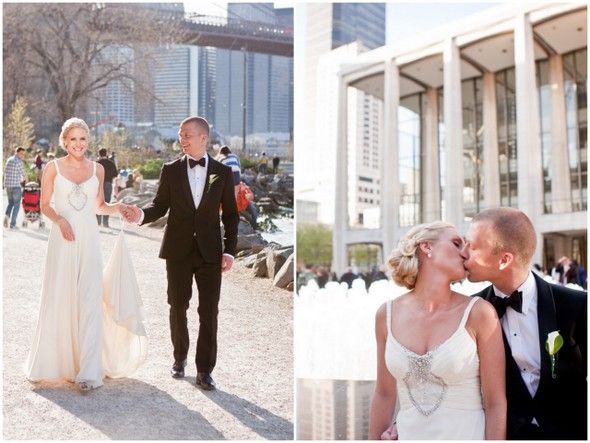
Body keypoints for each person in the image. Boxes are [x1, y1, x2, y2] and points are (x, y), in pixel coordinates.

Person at [24, 117, 141, 392]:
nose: (78, 144)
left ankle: (88, 372)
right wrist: (61, 221)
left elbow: (99, 206)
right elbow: (44, 205)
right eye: (73, 139)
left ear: (88, 142)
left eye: (83, 139)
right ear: (64, 141)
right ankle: (59, 364)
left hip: (89, 240)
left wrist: (119, 208)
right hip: (62, 240)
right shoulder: (52, 168)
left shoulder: (98, 170)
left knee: (90, 299)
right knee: (60, 297)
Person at [125, 116, 239, 391]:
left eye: (187, 134)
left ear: (203, 138)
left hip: (211, 253)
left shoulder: (222, 174)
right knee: (177, 307)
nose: (182, 139)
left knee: (209, 312)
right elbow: (159, 206)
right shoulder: (170, 170)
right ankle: (179, 358)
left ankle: (204, 370)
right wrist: (140, 214)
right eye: (180, 135)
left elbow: (232, 217)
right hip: (177, 251)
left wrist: (230, 252)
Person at [369, 221, 506, 440]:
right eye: (456, 243)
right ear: (427, 247)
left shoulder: (479, 313)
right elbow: (384, 394)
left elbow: (496, 403)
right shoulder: (386, 315)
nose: (465, 253)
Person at [464, 207, 586, 439]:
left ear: (504, 260)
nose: (463, 252)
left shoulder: (577, 306)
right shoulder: (469, 311)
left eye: (472, 245)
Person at [4, 147, 26, 229]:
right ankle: (12, 224)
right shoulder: (19, 162)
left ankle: (6, 216)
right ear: (17, 152)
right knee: (16, 205)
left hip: (8, 186)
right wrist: (26, 181)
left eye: (23, 154)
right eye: (21, 153)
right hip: (16, 186)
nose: (22, 155)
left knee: (10, 203)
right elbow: (24, 174)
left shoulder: (9, 160)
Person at [96, 148, 118, 228]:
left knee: (97, 202)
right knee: (107, 203)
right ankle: (105, 223)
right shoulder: (111, 163)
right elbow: (115, 174)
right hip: (108, 184)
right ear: (106, 154)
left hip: (98, 185)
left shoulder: (96, 163)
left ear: (99, 154)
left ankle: (97, 222)